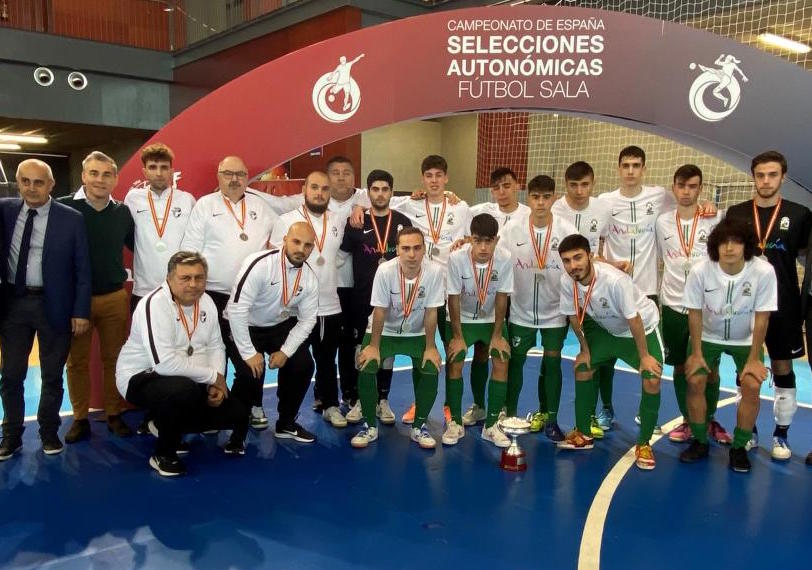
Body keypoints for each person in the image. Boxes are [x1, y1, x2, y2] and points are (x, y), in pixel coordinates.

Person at [116, 252, 249, 477]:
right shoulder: (154, 304)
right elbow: (164, 364)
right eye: (185, 278)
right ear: (169, 278)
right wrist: (211, 377)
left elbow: (217, 345)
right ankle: (163, 454)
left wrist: (217, 381)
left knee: (236, 413)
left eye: (199, 277)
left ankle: (163, 424)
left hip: (187, 377)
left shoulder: (207, 302)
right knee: (182, 391)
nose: (193, 284)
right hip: (139, 377)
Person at [0, 159, 91, 459]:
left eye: (39, 182)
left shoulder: (71, 218)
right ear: (18, 182)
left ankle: (49, 432)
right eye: (25, 181)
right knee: (11, 375)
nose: (31, 188)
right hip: (13, 304)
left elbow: (82, 269)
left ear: (51, 185)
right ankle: (11, 435)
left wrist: (80, 311)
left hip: (55, 304)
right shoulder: (5, 211)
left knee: (52, 375)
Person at [725, 150, 812, 459]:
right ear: (753, 177)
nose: (766, 181)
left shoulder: (800, 214)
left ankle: (782, 435)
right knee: (745, 366)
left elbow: (804, 257)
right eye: (760, 175)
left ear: (783, 177)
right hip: (744, 303)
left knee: (782, 366)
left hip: (784, 305)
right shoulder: (736, 213)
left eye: (772, 175)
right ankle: (748, 431)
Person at [181, 155, 278, 430]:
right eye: (228, 174)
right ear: (218, 177)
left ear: (248, 178)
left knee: (250, 354)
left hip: (249, 297)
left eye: (240, 174)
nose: (234, 179)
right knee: (211, 353)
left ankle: (251, 405)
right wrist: (193, 290)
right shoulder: (205, 205)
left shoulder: (261, 205)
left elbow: (282, 230)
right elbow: (190, 250)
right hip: (211, 294)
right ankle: (211, 408)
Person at [558, 234, 663, 470]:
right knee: (583, 368)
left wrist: (645, 357)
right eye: (567, 260)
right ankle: (583, 433)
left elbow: (634, 319)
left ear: (590, 256)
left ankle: (644, 443)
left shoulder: (615, 280)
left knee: (652, 379)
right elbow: (573, 316)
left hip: (640, 330)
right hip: (606, 331)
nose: (573, 265)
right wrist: (584, 350)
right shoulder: (567, 281)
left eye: (578, 258)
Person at [679, 218, 776, 472]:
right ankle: (700, 440)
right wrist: (697, 353)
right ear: (715, 246)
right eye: (723, 242)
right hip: (708, 336)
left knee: (752, 385)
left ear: (746, 245)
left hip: (746, 339)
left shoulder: (763, 271)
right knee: (696, 379)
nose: (729, 248)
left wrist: (755, 358)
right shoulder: (701, 270)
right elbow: (694, 312)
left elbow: (762, 315)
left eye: (736, 242)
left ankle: (739, 447)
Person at [60, 151, 135, 443]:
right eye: (94, 173)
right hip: (77, 302)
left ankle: (113, 413)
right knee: (76, 362)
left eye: (106, 174)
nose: (100, 180)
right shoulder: (64, 209)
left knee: (114, 359)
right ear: (83, 176)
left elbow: (139, 245)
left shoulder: (122, 212)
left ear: (115, 179)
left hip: (115, 298)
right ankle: (80, 418)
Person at [390, 155, 471, 424]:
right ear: (422, 179)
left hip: (450, 291)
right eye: (429, 176)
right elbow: (379, 203)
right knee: (420, 350)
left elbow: (471, 238)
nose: (434, 180)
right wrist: (356, 208)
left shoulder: (462, 209)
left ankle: (450, 405)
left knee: (451, 349)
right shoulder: (409, 204)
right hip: (420, 290)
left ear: (446, 178)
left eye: (439, 175)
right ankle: (419, 402)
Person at [655, 164, 730, 445]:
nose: (686, 192)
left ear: (700, 188)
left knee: (709, 368)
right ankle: (688, 419)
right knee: (678, 367)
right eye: (682, 186)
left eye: (693, 186)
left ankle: (709, 418)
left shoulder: (716, 219)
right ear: (673, 187)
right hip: (673, 306)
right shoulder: (661, 222)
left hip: (708, 307)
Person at [226, 222, 320, 443]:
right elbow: (237, 309)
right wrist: (249, 353)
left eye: (307, 245)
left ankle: (286, 423)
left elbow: (308, 320)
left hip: (277, 327)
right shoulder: (259, 264)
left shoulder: (309, 278)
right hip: (245, 325)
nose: (301, 249)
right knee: (250, 374)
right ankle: (237, 431)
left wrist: (286, 352)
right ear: (285, 239)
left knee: (303, 364)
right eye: (296, 242)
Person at [352, 227, 445, 449]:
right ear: (398, 251)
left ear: (424, 250)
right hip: (383, 331)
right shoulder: (385, 271)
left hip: (417, 333)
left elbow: (432, 311)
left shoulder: (434, 272)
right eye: (406, 248)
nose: (411, 254)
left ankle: (419, 427)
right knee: (367, 364)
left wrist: (431, 347)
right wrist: (374, 346)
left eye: (416, 248)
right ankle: (369, 426)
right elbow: (380, 311)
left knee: (430, 367)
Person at [501, 175, 578, 441]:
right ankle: (509, 414)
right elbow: (499, 263)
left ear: (554, 198)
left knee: (553, 362)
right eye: (536, 197)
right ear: (528, 198)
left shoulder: (567, 231)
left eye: (546, 197)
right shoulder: (512, 229)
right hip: (520, 311)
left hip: (555, 311)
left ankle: (551, 418)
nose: (541, 202)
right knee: (516, 362)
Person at [270, 171, 347, 429]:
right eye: (314, 187)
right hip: (294, 308)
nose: (319, 193)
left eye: (325, 189)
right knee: (293, 361)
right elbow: (275, 261)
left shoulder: (339, 219)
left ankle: (330, 404)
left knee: (327, 360)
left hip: (329, 304)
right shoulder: (286, 221)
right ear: (304, 189)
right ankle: (285, 414)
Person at [338, 169, 411, 424]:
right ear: (368, 193)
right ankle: (359, 399)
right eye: (375, 189)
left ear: (392, 192)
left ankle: (382, 400)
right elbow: (342, 257)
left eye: (385, 189)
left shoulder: (403, 222)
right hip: (362, 299)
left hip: (394, 300)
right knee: (362, 350)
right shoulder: (356, 222)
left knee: (386, 351)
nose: (380, 194)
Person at [551, 161, 612, 437]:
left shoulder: (603, 208)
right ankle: (548, 413)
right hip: (561, 290)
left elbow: (607, 243)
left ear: (593, 183)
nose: (579, 190)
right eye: (573, 185)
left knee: (596, 354)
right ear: (566, 185)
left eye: (585, 184)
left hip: (593, 292)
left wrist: (612, 265)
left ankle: (595, 413)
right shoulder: (554, 208)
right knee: (554, 354)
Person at [445, 213, 513, 448]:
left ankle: (490, 423)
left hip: (490, 319)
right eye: (477, 240)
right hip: (461, 319)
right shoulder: (455, 259)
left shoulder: (505, 258)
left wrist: (496, 336)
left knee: (501, 357)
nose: (483, 247)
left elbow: (502, 297)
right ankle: (454, 421)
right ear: (469, 239)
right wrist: (457, 337)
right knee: (456, 358)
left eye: (489, 241)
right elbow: (452, 298)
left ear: (497, 240)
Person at [124, 142, 195, 312]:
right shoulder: (132, 199)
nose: (158, 173)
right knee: (146, 338)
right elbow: (128, 236)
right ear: (144, 171)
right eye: (153, 167)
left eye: (164, 167)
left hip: (179, 288)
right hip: (144, 288)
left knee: (182, 338)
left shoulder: (187, 200)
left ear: (172, 171)